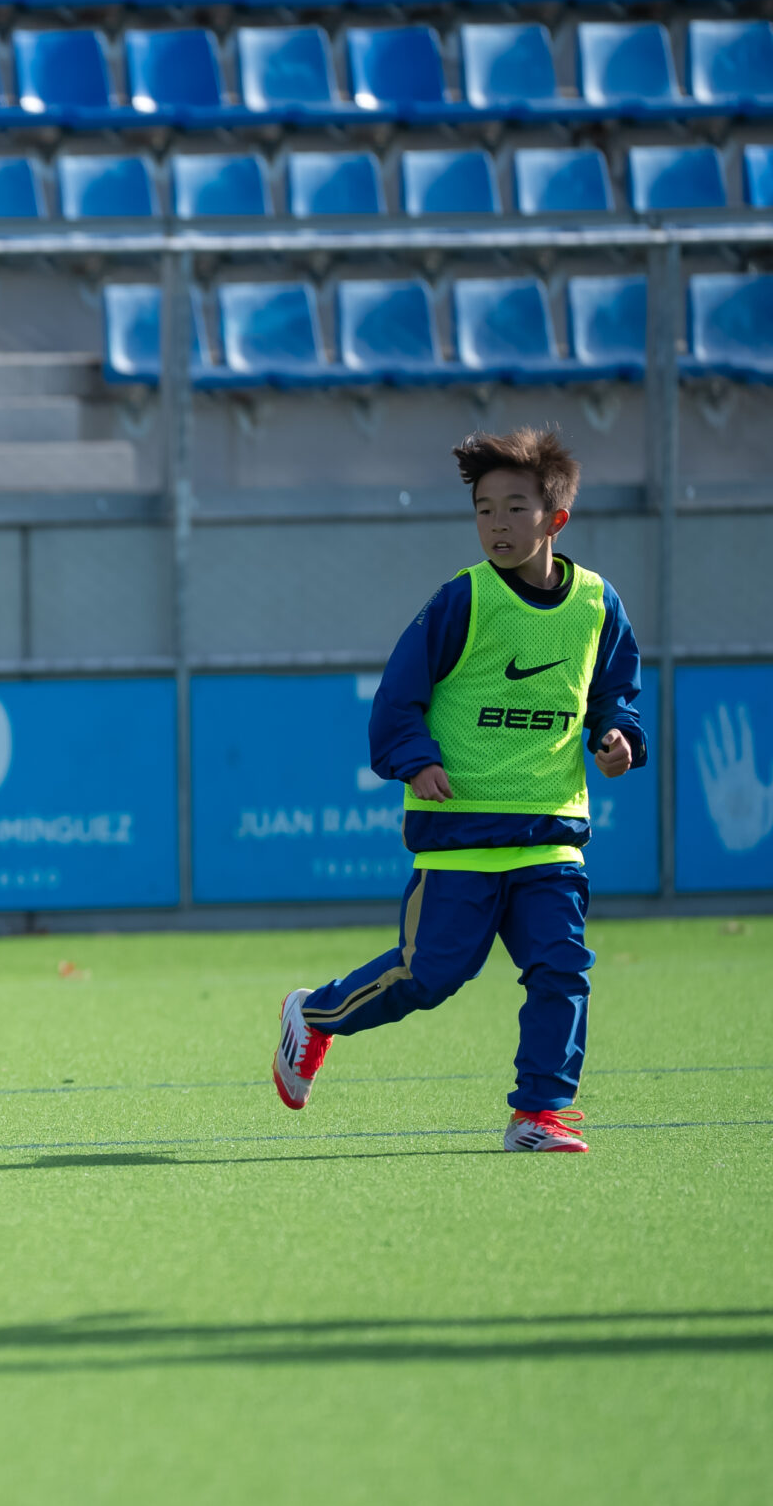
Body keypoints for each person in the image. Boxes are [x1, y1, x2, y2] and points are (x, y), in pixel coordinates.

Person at [271, 427, 644, 1151]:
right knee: (429, 976)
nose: (497, 524)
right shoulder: (461, 600)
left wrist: (619, 738)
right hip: (460, 833)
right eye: (484, 510)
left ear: (556, 519)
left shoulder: (598, 604)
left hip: (550, 835)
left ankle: (538, 1114)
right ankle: (314, 1016)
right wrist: (416, 760)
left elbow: (615, 696)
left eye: (515, 509)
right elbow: (396, 698)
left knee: (563, 970)